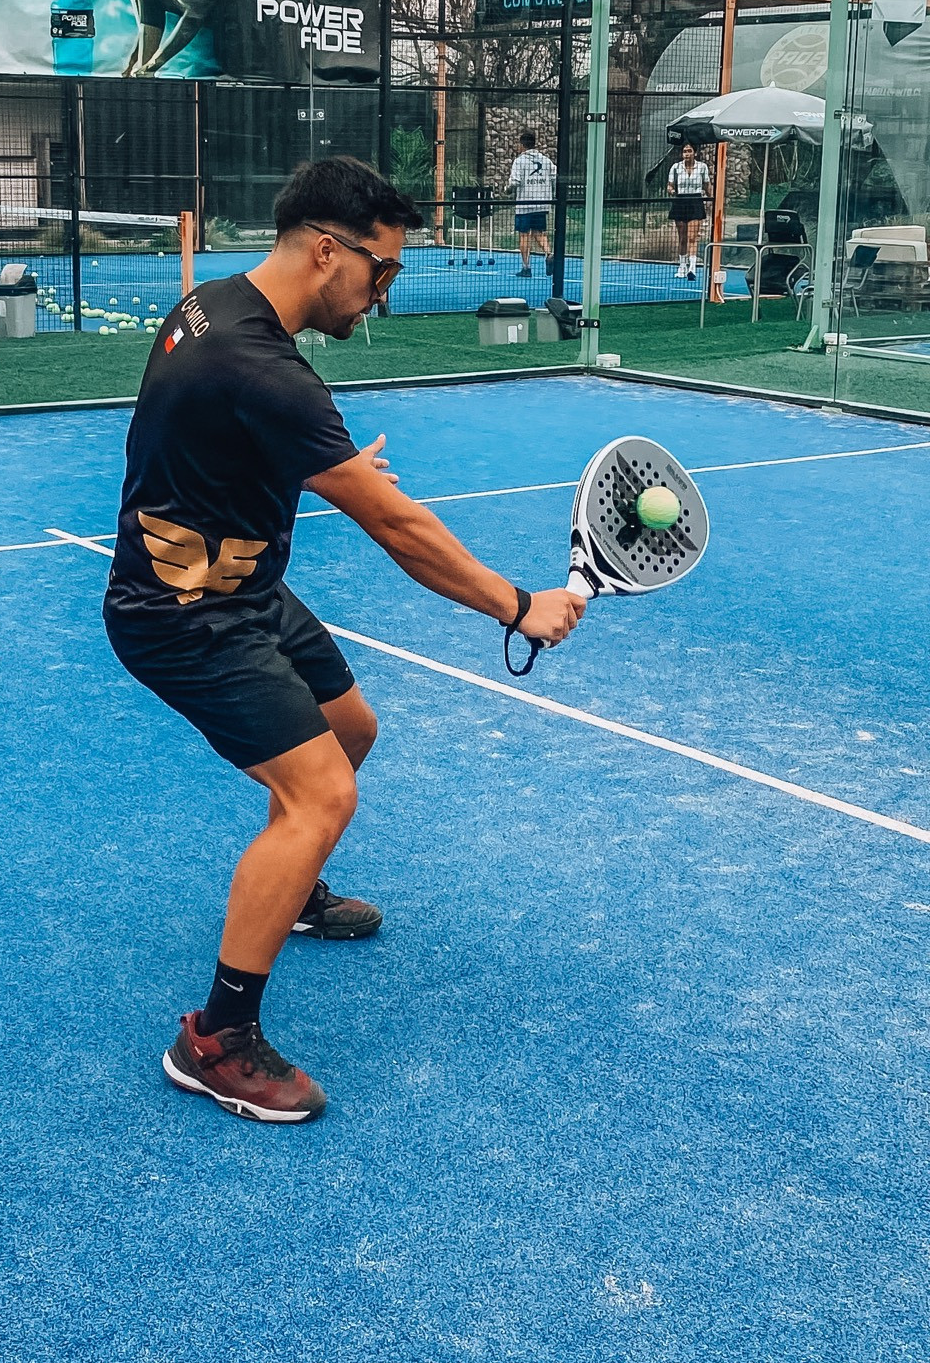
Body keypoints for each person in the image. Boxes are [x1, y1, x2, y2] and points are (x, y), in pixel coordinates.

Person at [103, 156, 585, 1125]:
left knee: (351, 729)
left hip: (240, 581)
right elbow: (399, 529)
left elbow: (203, 439)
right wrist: (516, 604)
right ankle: (216, 1040)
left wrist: (321, 464)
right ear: (328, 251)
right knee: (320, 792)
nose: (384, 293)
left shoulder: (213, 306)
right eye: (382, 270)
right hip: (182, 611)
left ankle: (293, 889)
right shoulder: (266, 369)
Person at [507, 130, 556, 277]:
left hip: (525, 204)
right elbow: (554, 176)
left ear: (522, 145)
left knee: (524, 235)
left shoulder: (519, 161)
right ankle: (549, 253)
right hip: (542, 202)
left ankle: (526, 267)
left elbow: (515, 182)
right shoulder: (546, 160)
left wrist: (507, 189)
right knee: (539, 232)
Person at [666, 142, 712, 281]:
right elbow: (669, 185)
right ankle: (682, 266)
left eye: (689, 151)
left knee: (693, 237)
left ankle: (692, 268)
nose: (687, 154)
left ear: (695, 153)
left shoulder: (702, 167)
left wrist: (712, 200)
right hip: (680, 201)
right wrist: (671, 191)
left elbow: (707, 185)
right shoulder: (675, 167)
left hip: (695, 201)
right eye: (685, 151)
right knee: (682, 237)